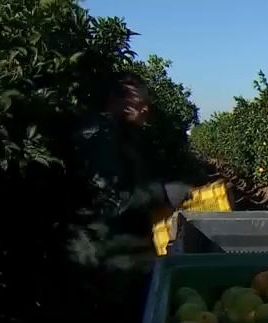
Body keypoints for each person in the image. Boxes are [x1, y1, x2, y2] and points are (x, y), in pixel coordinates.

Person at [73, 72, 195, 271]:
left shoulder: (125, 135)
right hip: (108, 255)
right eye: (140, 102)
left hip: (128, 248)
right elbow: (107, 201)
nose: (146, 109)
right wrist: (161, 193)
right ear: (116, 100)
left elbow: (132, 183)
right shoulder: (100, 139)